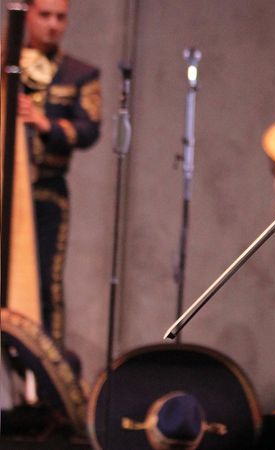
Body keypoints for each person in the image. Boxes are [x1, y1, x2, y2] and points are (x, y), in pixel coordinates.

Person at [18, 0, 101, 344]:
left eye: (60, 17)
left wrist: (44, 123)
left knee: (47, 284)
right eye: (45, 15)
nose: (53, 25)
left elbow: (88, 130)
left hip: (47, 192)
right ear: (28, 15)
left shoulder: (80, 73)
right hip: (7, 191)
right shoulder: (7, 66)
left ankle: (48, 373)